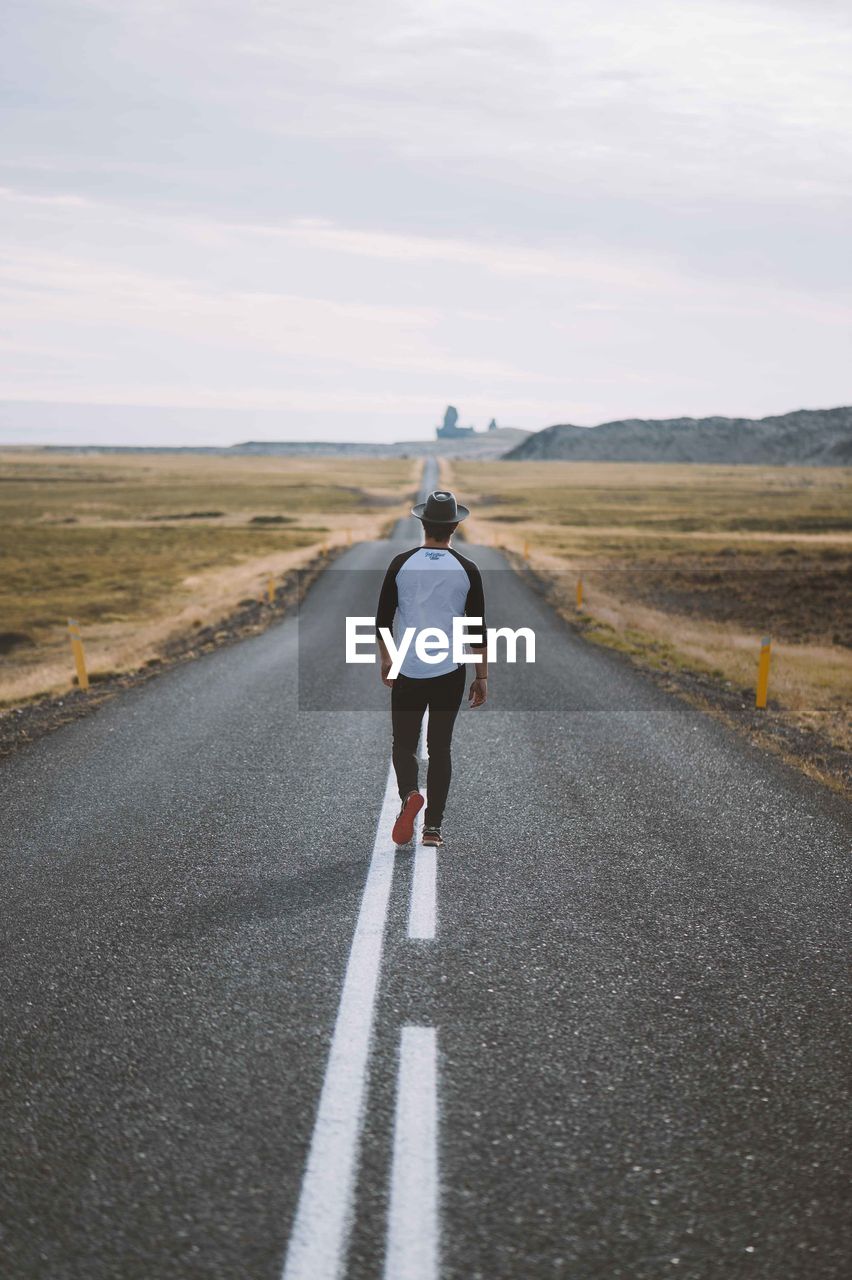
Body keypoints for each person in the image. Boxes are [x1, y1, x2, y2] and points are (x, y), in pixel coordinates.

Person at [375, 489, 487, 849]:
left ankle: (409, 794)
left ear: (423, 523)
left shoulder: (401, 562)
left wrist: (387, 658)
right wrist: (481, 676)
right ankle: (433, 829)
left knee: (403, 744)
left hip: (408, 666)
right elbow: (477, 629)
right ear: (454, 526)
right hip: (450, 670)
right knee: (440, 747)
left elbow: (382, 620)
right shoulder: (468, 569)